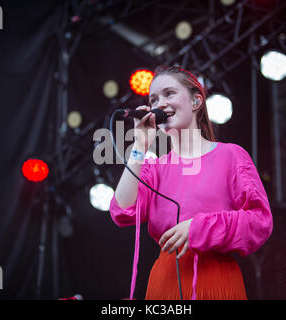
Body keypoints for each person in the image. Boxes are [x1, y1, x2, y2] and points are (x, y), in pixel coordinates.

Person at [109, 65, 273, 300]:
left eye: (169, 93)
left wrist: (199, 227)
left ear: (196, 102)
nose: (160, 103)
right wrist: (139, 146)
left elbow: (260, 221)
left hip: (216, 281)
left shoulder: (231, 156)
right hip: (165, 285)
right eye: (153, 98)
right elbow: (122, 210)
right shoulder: (154, 168)